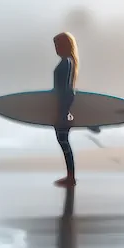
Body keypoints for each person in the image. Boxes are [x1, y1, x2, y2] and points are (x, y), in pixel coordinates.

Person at [52, 30, 79, 186]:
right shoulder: (68, 61)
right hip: (62, 107)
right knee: (64, 142)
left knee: (63, 142)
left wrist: (62, 112)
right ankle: (70, 176)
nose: (56, 49)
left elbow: (67, 90)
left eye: (57, 45)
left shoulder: (66, 62)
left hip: (63, 109)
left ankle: (71, 177)